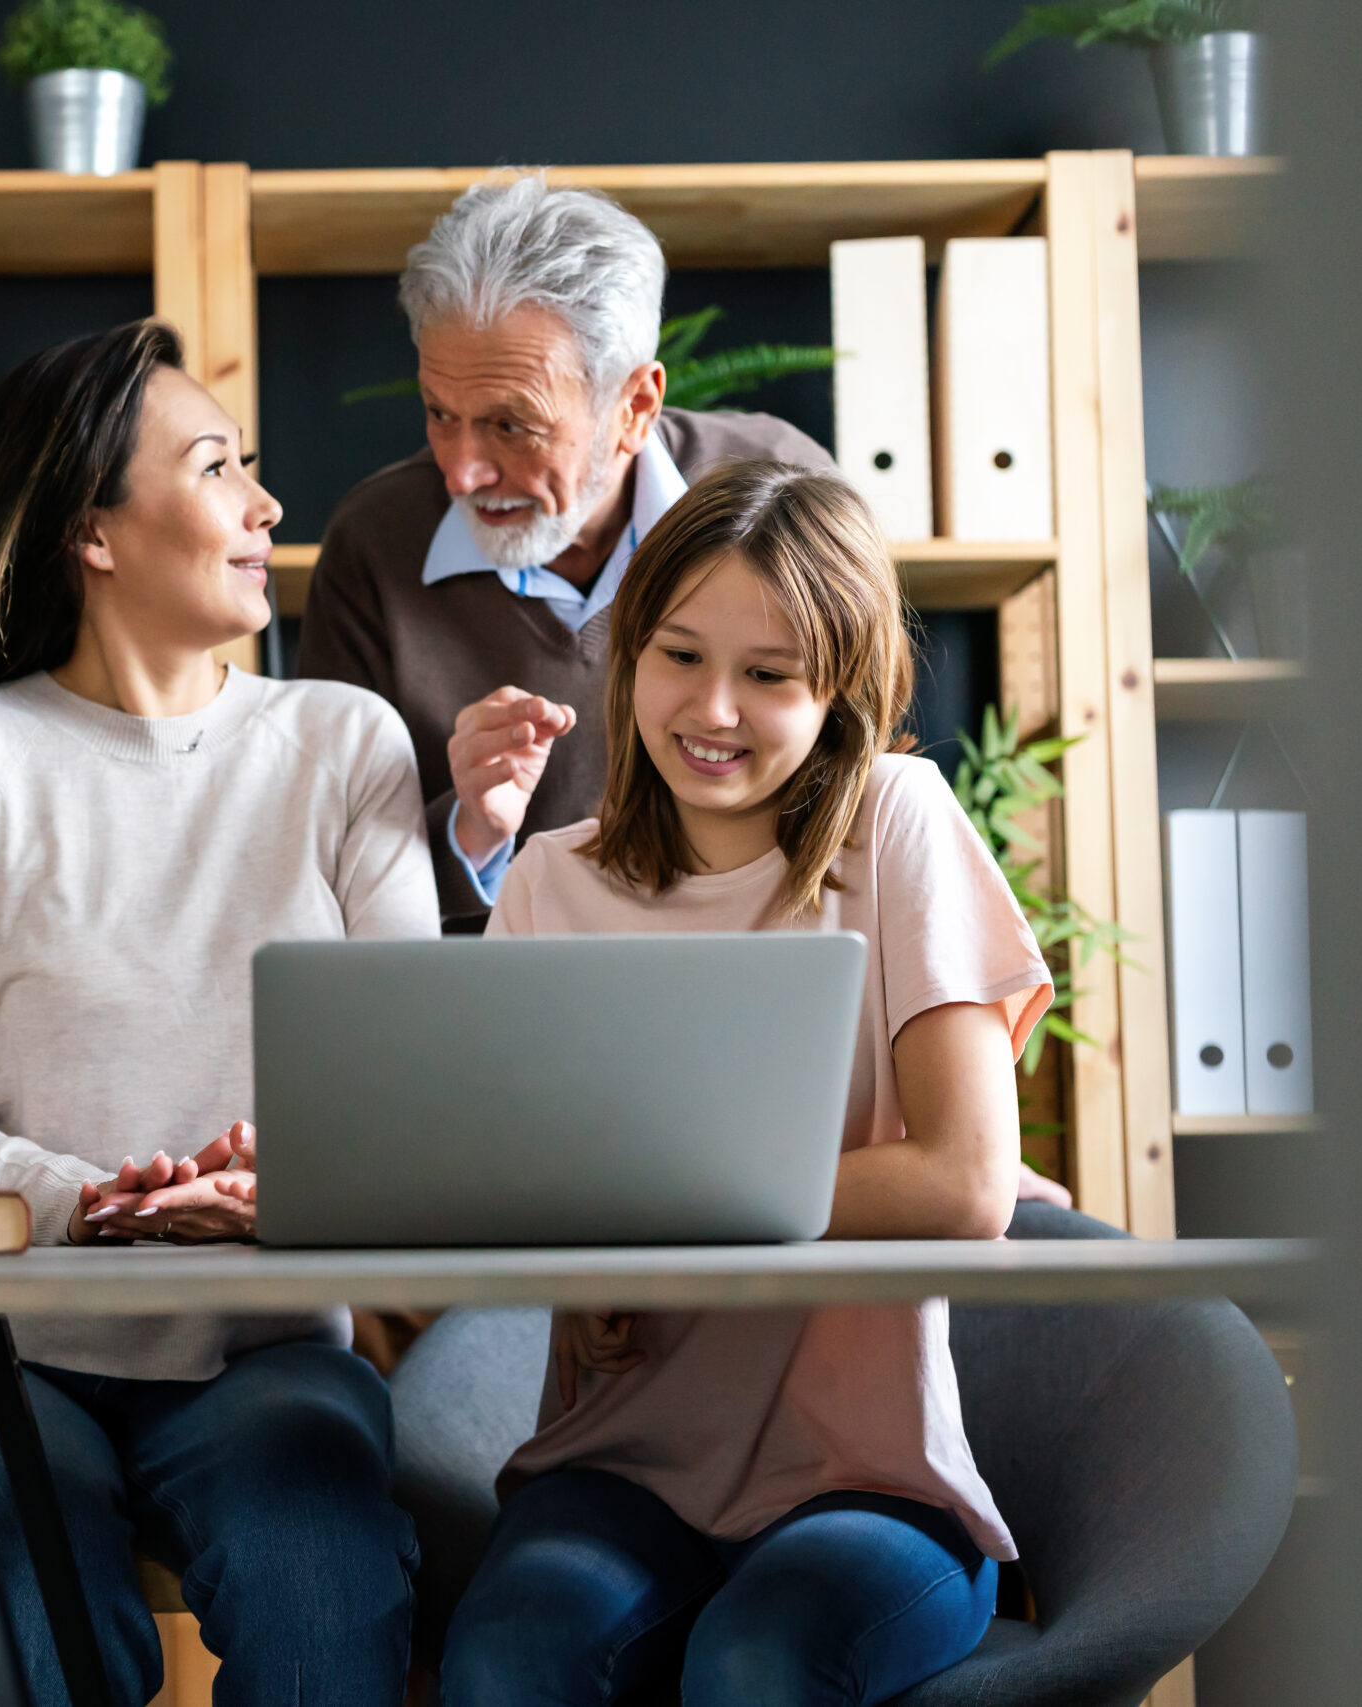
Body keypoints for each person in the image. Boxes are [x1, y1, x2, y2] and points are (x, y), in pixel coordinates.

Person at [0, 320, 438, 1707]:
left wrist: (279, 1188)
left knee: (328, 1618)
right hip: (5, 1351)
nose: (269, 505)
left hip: (264, 1345)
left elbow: (406, 1084)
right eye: (218, 467)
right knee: (47, 1630)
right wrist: (83, 1197)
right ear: (94, 533)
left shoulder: (345, 745)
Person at [437, 461, 1049, 1707]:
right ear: (627, 661)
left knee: (759, 1663)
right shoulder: (550, 884)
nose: (712, 709)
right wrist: (589, 1273)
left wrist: (655, 1217)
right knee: (507, 1657)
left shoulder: (896, 821)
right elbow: (525, 1191)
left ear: (841, 692)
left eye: (769, 675)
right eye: (677, 655)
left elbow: (967, 1183)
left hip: (870, 1481)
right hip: (618, 1463)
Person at [298, 172, 834, 935]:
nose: (461, 471)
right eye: (440, 414)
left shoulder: (786, 491)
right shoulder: (372, 544)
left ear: (635, 407)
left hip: (758, 964)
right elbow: (329, 876)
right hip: (493, 1011)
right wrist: (471, 832)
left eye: (512, 425)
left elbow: (861, 767)